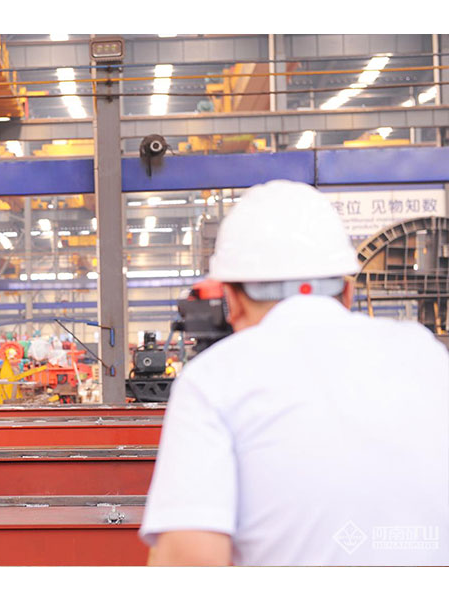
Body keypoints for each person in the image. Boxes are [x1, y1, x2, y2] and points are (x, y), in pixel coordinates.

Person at [140, 180, 449, 566]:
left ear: (232, 300)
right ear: (348, 292)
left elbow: (190, 564)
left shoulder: (214, 380)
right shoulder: (426, 355)